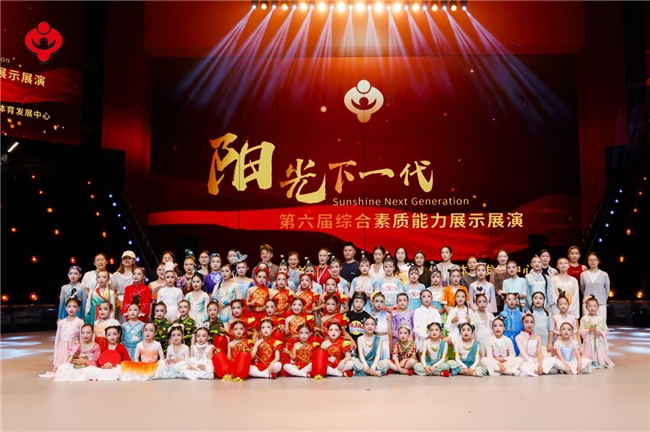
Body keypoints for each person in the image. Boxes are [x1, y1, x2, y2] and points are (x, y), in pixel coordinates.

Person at [40, 298, 84, 378]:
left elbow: (81, 337)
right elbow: (58, 337)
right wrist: (57, 350)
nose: (71, 309)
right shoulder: (61, 322)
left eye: (74, 306)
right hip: (62, 346)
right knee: (62, 366)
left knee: (72, 367)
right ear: (66, 308)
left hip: (74, 346)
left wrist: (81, 350)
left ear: (78, 308)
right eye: (69, 306)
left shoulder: (80, 322)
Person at [580, 296, 615, 369]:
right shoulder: (584, 318)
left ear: (598, 307)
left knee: (599, 351)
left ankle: (599, 361)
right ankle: (590, 362)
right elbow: (581, 331)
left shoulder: (601, 318)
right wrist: (588, 330)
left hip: (599, 340)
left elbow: (606, 330)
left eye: (594, 306)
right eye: (590, 306)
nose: (592, 308)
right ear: (586, 307)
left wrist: (601, 333)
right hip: (589, 341)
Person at [580, 252, 611, 320]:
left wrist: (603, 300)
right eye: (590, 260)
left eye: (594, 260)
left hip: (601, 304)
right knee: (587, 324)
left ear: (598, 261)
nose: (592, 261)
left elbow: (607, 290)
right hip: (587, 304)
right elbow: (582, 289)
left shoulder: (604, 274)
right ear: (588, 261)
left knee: (600, 324)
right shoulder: (583, 275)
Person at [111, 251, 137, 322]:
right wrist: (118, 302)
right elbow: (112, 291)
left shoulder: (137, 274)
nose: (127, 260)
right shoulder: (115, 275)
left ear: (134, 261)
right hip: (119, 302)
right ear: (122, 261)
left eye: (129, 258)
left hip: (133, 302)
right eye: (125, 258)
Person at [369, 292, 392, 359]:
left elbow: (390, 330)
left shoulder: (387, 315)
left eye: (381, 302)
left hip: (385, 338)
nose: (379, 303)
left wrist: (391, 344)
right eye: (377, 301)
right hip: (376, 338)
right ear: (373, 302)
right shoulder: (371, 316)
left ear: (384, 303)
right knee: (376, 355)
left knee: (385, 350)